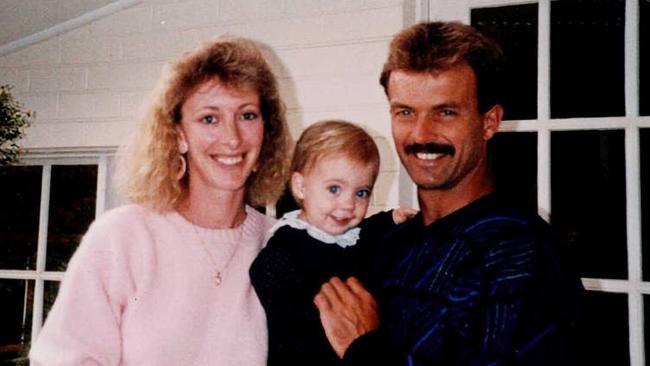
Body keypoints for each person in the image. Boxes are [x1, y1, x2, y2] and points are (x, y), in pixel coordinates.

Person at [313, 21, 583, 365]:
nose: (421, 133)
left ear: (489, 122)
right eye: (405, 112)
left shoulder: (521, 254)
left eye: (446, 112)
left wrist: (365, 348)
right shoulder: (386, 243)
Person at [29, 36, 290, 365]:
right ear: (179, 135)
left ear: (267, 129)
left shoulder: (281, 244)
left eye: (247, 115)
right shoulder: (124, 236)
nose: (232, 137)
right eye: (210, 118)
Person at [250, 120, 416, 365]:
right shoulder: (288, 245)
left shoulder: (348, 235)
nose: (348, 204)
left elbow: (366, 232)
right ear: (301, 186)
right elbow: (264, 274)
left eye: (362, 193)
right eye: (334, 189)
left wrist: (390, 218)